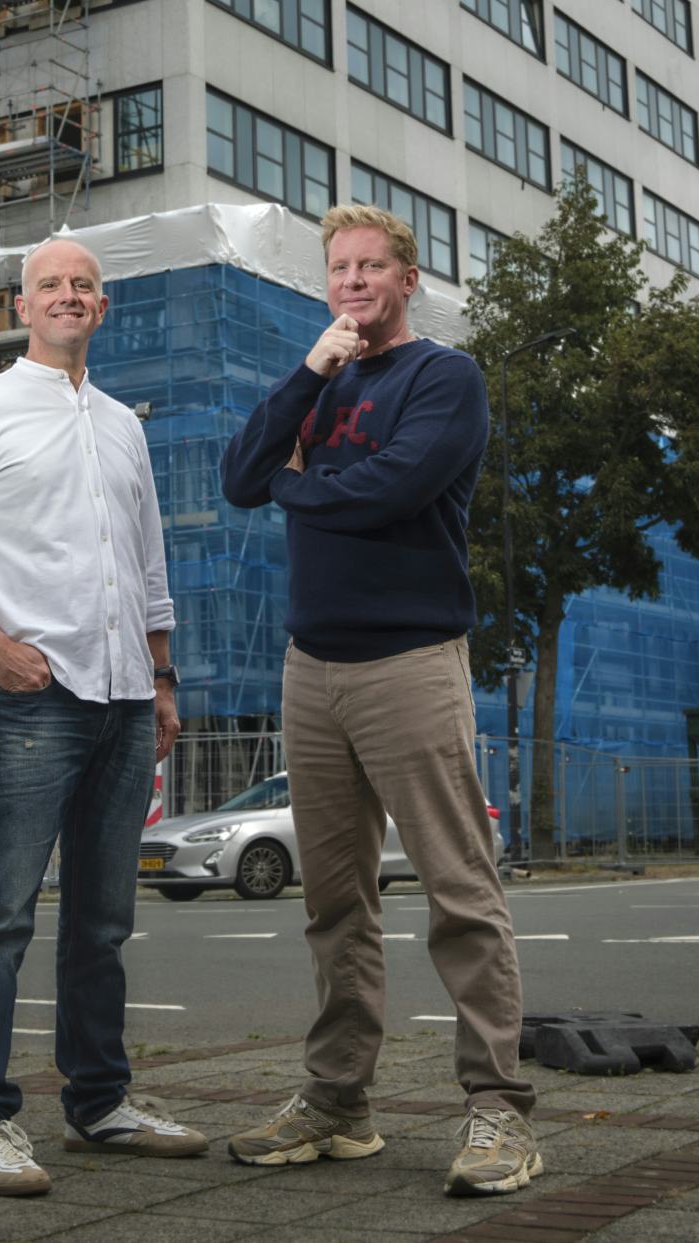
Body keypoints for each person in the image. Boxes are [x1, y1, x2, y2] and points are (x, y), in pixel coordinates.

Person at [217, 204, 541, 1197]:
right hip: (311, 670)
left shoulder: (445, 377)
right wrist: (306, 381)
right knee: (333, 903)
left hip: (409, 660)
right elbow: (240, 475)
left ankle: (496, 1113)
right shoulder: (321, 381)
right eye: (338, 268)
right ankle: (336, 1103)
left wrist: (298, 485)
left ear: (406, 278)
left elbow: (390, 490)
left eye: (370, 267)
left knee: (458, 890)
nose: (353, 282)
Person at [0, 235, 204, 1196]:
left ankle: (100, 1102)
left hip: (122, 701)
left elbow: (149, 567)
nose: (68, 296)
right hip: (29, 698)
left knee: (104, 922)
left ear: (101, 308)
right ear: (21, 307)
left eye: (84, 285)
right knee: (0, 917)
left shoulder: (123, 425)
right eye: (50, 286)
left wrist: (161, 681)